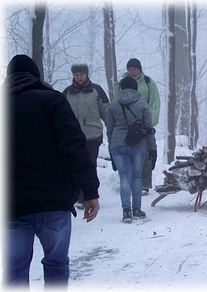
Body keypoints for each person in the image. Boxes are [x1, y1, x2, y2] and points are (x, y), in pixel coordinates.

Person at [3, 54, 100, 288]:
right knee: (56, 265)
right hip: (54, 202)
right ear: (36, 76)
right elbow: (75, 147)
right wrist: (90, 191)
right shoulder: (53, 100)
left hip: (13, 205)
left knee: (15, 270)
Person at [107, 76, 157, 223]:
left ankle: (126, 211)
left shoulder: (113, 106)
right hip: (138, 145)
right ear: (135, 88)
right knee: (136, 177)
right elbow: (148, 129)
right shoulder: (142, 105)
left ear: (122, 88)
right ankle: (137, 209)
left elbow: (109, 130)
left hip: (117, 144)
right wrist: (153, 149)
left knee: (124, 178)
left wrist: (111, 151)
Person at [63, 63, 110, 209]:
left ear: (87, 75)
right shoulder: (67, 93)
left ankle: (88, 196)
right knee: (73, 165)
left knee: (90, 165)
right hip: (73, 135)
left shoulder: (97, 90)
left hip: (93, 134)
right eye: (76, 75)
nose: (79, 77)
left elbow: (106, 112)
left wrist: (112, 130)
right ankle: (77, 195)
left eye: (81, 74)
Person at [115, 58, 160, 196]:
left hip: (143, 125)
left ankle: (145, 184)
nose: (132, 71)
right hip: (125, 125)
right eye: (129, 69)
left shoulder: (148, 82)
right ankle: (128, 182)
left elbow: (154, 103)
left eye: (134, 69)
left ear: (139, 69)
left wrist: (149, 123)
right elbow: (116, 101)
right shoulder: (122, 83)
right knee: (127, 154)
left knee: (145, 155)